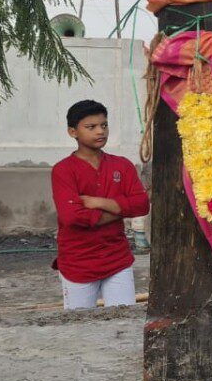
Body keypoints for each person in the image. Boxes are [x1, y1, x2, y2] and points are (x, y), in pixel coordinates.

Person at [52, 100, 150, 310]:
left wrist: (99, 203)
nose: (100, 131)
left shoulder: (122, 165)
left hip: (117, 258)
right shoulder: (63, 170)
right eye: (91, 127)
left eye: (104, 125)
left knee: (123, 322)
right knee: (78, 325)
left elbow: (142, 205)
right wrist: (121, 210)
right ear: (72, 132)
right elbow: (73, 217)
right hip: (78, 261)